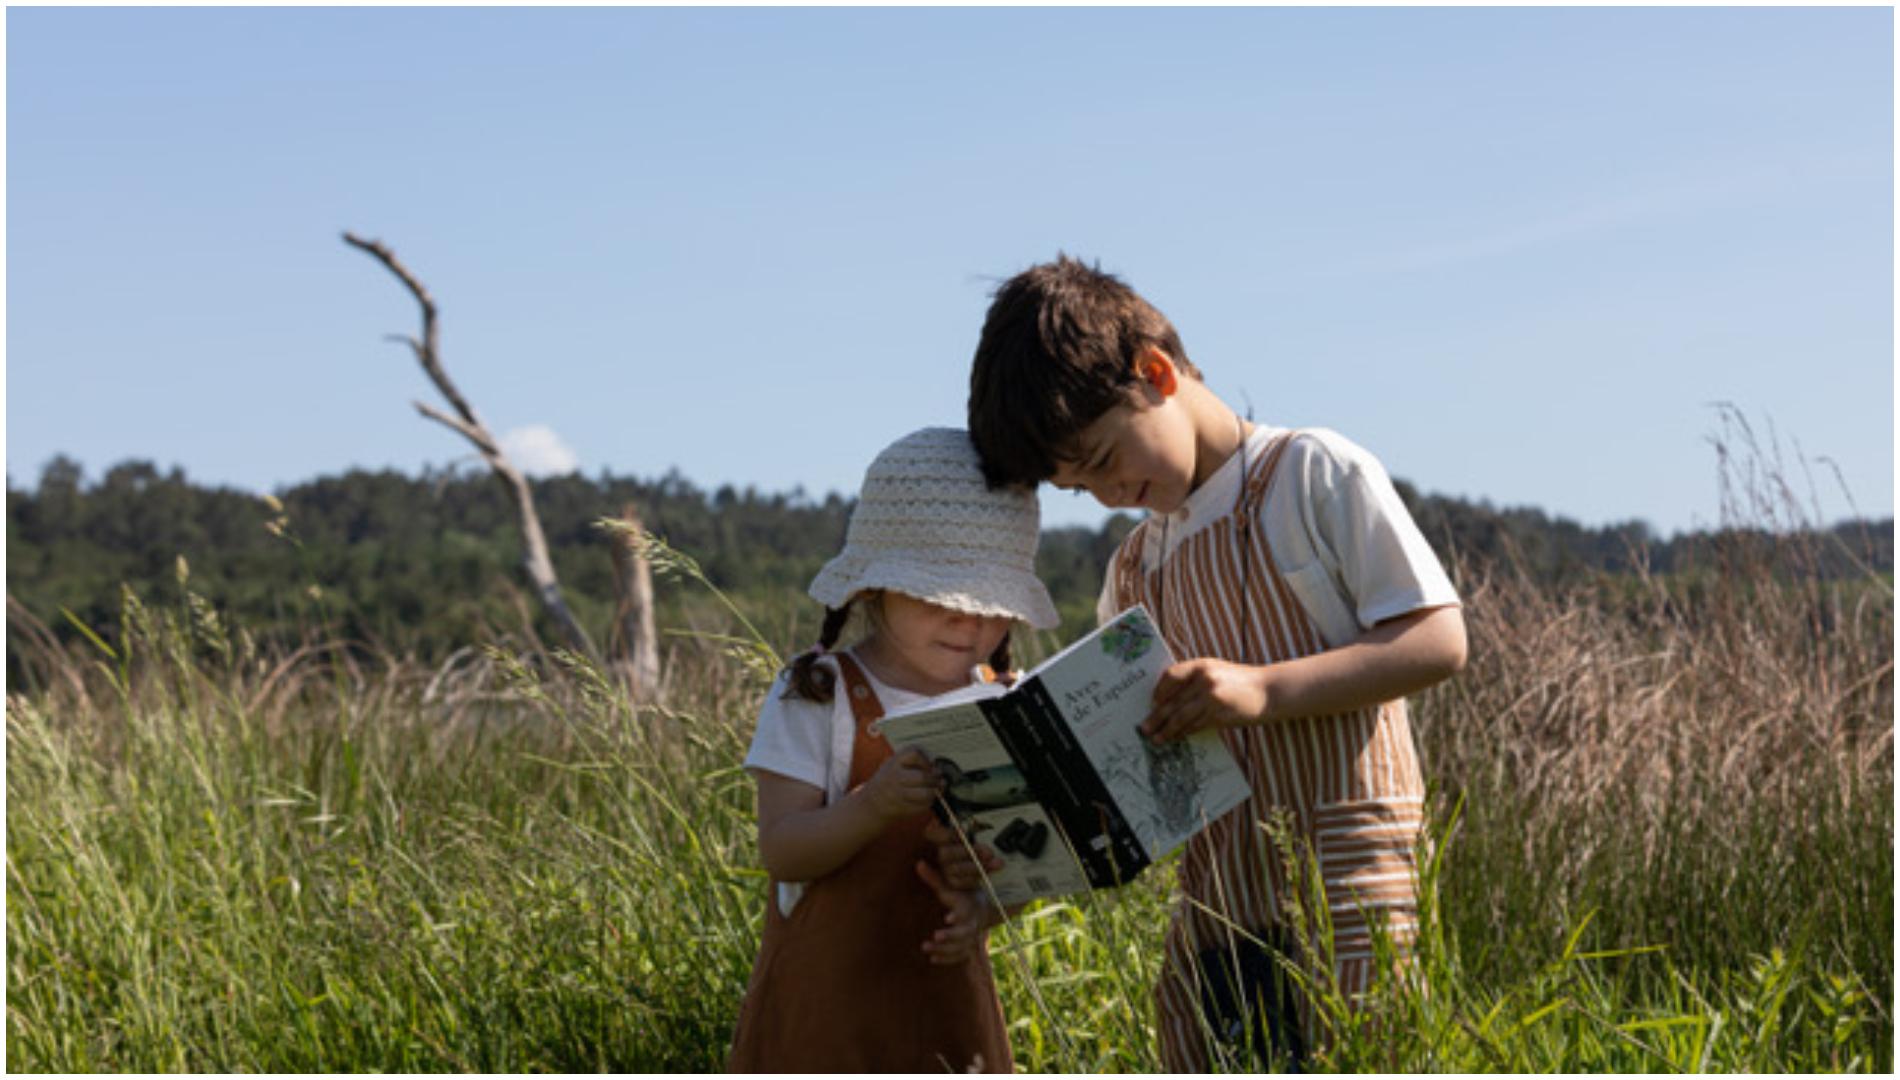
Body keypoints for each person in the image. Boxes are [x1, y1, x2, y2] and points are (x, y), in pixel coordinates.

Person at [951, 255, 1467, 1070]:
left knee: (1364, 1052)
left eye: (1103, 457)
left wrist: (1261, 690)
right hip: (1222, 889)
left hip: (1353, 864)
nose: (1109, 493)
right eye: (1079, 488)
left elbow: (1437, 640)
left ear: (1155, 374)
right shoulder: (1133, 572)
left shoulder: (1311, 475)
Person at [727, 426, 1060, 1074]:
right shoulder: (820, 691)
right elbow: (782, 851)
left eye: (993, 606)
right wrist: (871, 807)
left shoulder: (1002, 703)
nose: (971, 624)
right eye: (943, 598)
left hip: (948, 1023)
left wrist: (983, 911)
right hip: (823, 1027)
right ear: (874, 585)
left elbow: (1025, 868)